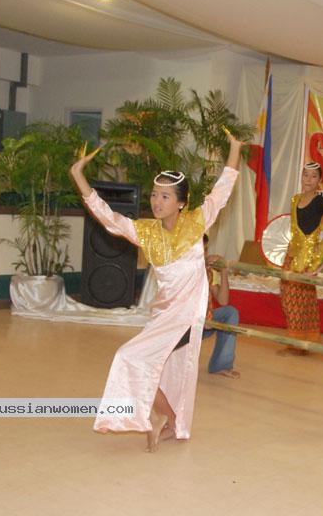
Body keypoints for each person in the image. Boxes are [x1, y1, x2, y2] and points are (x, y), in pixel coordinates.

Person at [70, 132, 243, 452]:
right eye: (154, 195)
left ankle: (165, 416)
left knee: (130, 358)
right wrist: (78, 175)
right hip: (162, 315)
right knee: (151, 369)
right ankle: (171, 419)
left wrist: (234, 150)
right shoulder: (146, 232)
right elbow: (108, 217)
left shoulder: (197, 223)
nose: (156, 201)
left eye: (165, 196)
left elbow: (222, 190)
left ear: (181, 202)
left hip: (186, 317)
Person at [278, 162, 323, 355]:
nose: (308, 180)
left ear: (319, 181)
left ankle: (300, 344)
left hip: (308, 260)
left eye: (313, 176)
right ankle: (300, 342)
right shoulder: (295, 199)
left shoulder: (321, 201)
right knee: (289, 298)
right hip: (292, 254)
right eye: (306, 175)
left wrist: (322, 251)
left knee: (299, 300)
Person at [202, 233, 240, 379]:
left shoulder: (209, 271)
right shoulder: (185, 270)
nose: (204, 254)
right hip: (186, 325)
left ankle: (220, 365)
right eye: (200, 250)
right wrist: (202, 319)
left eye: (205, 250)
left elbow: (223, 301)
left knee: (230, 313)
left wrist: (223, 270)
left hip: (206, 322)